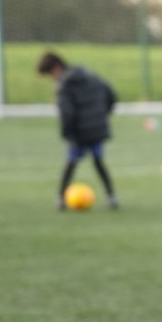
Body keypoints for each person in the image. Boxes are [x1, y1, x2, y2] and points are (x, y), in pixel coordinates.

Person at [39, 51, 119, 211]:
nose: (51, 78)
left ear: (55, 67)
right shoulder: (88, 74)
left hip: (79, 131)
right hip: (97, 127)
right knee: (98, 162)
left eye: (50, 74)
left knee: (71, 162)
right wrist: (102, 115)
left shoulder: (64, 84)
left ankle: (60, 198)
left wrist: (66, 132)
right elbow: (111, 94)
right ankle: (111, 197)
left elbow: (67, 112)